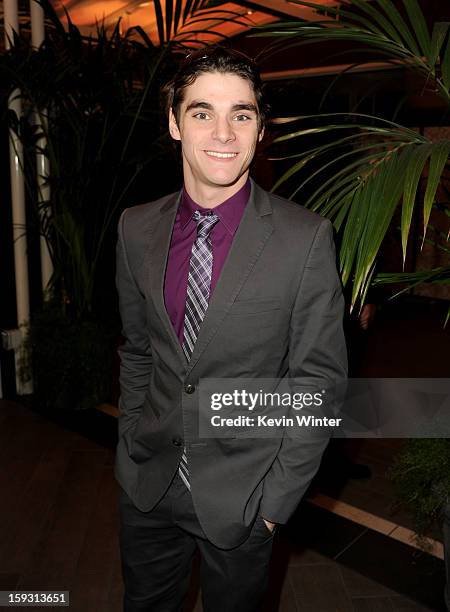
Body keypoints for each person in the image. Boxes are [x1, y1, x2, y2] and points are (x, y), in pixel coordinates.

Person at [115, 46, 347, 612]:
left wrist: (275, 503)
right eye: (202, 113)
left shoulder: (305, 238)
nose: (223, 132)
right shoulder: (135, 227)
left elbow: (317, 384)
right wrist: (129, 445)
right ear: (174, 123)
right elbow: (139, 351)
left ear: (260, 128)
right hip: (147, 485)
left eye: (241, 114)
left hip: (246, 498)